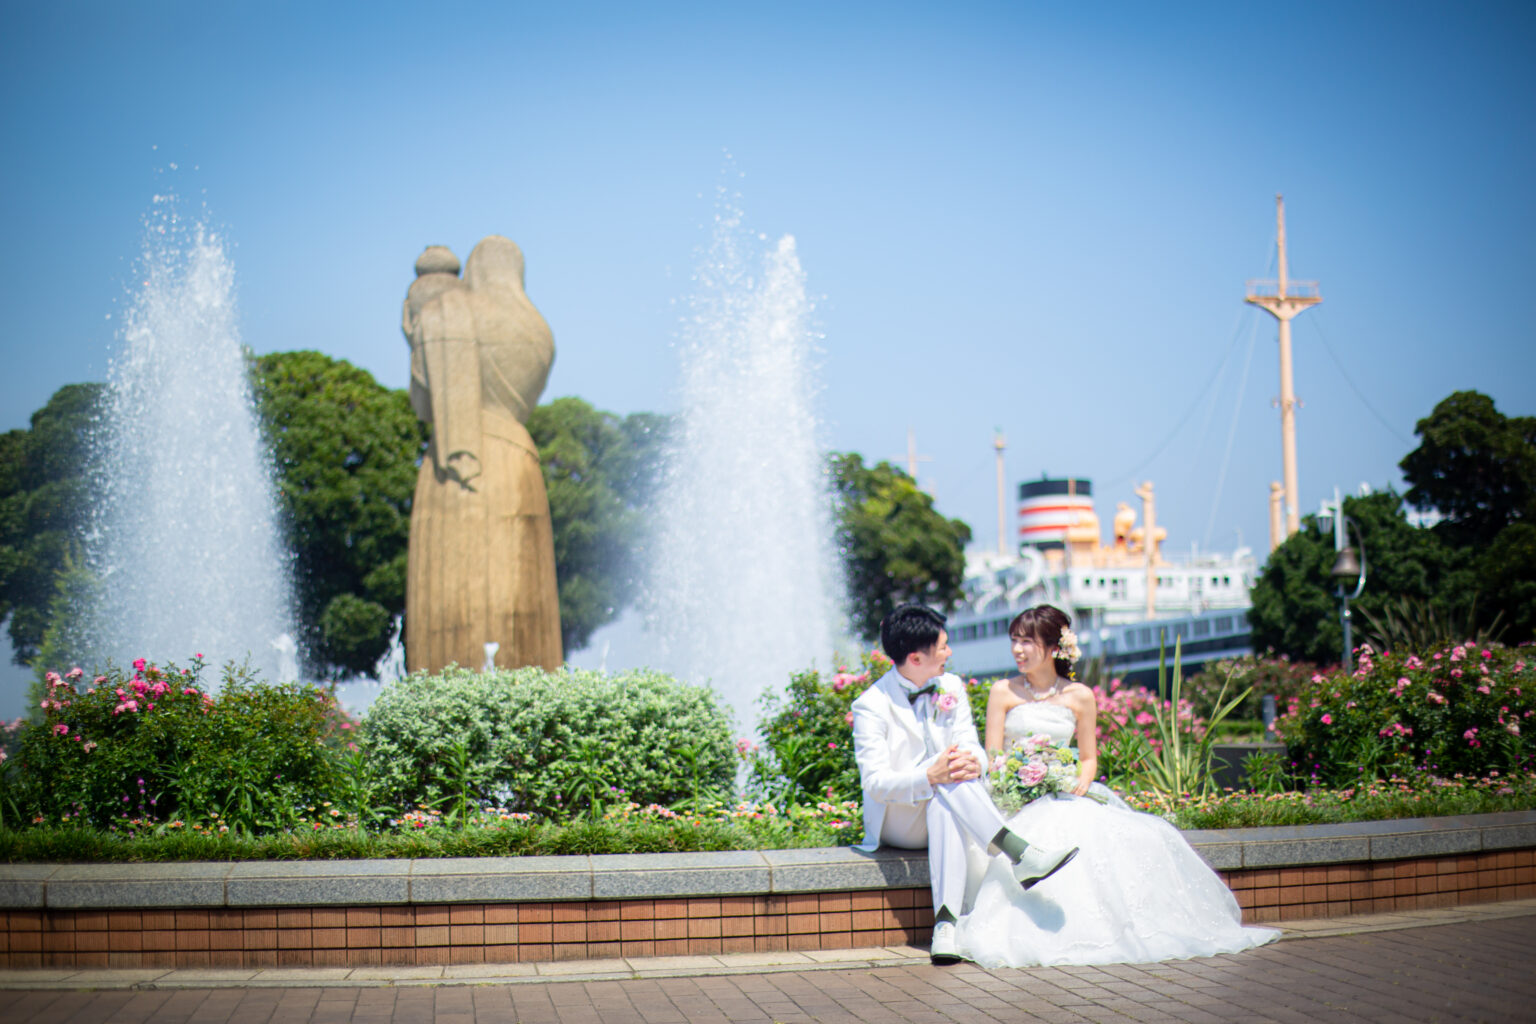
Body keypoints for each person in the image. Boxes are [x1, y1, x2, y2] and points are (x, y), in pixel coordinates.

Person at [953, 604, 1279, 967]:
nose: (1017, 650)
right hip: (1012, 796)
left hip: (1064, 791)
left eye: (1027, 641)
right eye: (1014, 640)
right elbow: (993, 755)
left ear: (1053, 647)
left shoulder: (1080, 695)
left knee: (1124, 839)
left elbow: (1089, 758)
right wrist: (1013, 782)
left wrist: (1076, 781)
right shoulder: (1003, 691)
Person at [851, 604, 1079, 965]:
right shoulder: (871, 706)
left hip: (947, 804)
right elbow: (876, 783)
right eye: (942, 647)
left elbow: (973, 744)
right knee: (942, 780)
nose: (949, 653)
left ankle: (945, 926)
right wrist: (930, 775)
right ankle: (1019, 852)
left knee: (946, 794)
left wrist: (975, 760)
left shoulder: (951, 686)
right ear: (915, 657)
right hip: (901, 820)